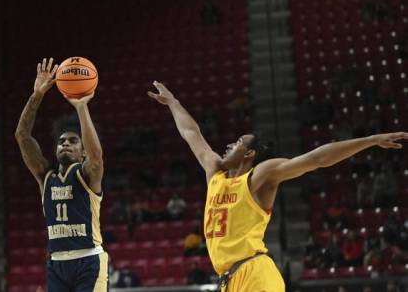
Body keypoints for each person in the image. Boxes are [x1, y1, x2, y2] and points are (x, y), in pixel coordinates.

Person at [148, 81, 406, 292]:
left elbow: (315, 159)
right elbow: (192, 133)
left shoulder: (260, 176)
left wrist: (370, 140)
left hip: (255, 273)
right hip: (229, 279)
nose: (229, 144)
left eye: (238, 142)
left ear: (249, 154)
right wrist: (173, 102)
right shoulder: (215, 172)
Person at [14, 58, 108, 292]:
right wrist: (37, 95)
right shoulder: (45, 176)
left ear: (83, 151)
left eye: (73, 141)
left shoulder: (87, 174)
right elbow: (22, 136)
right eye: (61, 141)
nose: (65, 144)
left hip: (89, 260)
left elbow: (96, 158)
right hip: (57, 264)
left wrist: (81, 107)